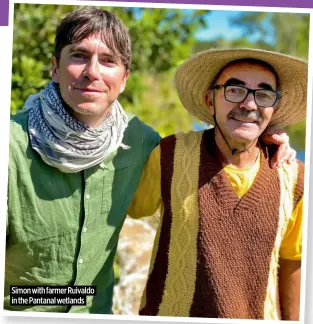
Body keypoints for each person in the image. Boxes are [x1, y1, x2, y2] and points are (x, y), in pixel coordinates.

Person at [6, 7, 295, 314]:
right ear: (55, 67)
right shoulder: (10, 145)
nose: (93, 71)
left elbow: (217, 143)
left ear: (125, 78)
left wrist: (258, 135)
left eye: (108, 61)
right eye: (78, 55)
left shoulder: (140, 141)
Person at [128, 48, 307, 320]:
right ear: (210, 99)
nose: (249, 104)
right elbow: (130, 209)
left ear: (275, 109)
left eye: (263, 95)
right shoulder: (168, 156)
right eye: (234, 90)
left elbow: (293, 260)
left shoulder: (294, 177)